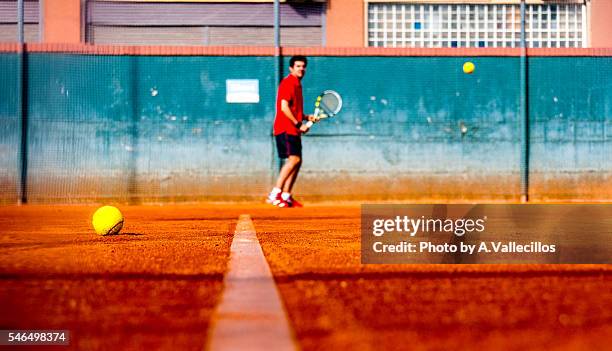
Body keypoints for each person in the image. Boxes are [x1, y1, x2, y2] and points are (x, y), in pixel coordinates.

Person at [266, 55, 316, 208]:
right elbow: (284, 107)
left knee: (297, 162)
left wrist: (307, 117)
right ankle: (275, 193)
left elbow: (294, 110)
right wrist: (299, 123)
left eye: (303, 66)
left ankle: (286, 196)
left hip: (293, 129)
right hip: (285, 128)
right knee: (293, 160)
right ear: (291, 68)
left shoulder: (297, 84)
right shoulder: (288, 83)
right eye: (298, 66)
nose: (301, 69)